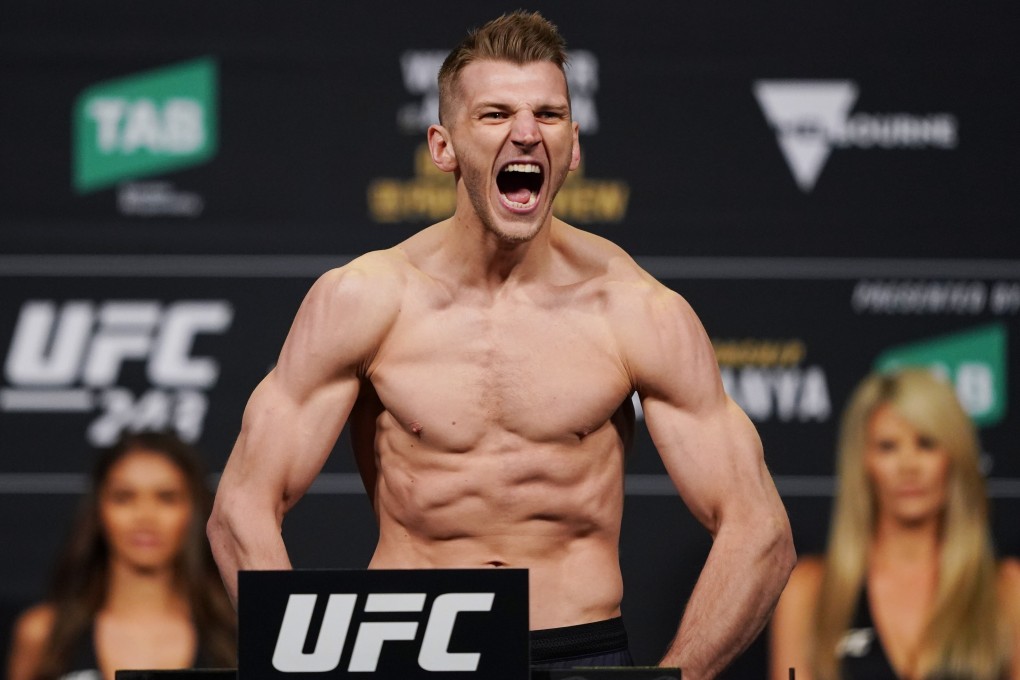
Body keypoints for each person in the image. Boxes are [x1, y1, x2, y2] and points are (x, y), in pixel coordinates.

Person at [207, 10, 794, 678]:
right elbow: (241, 510)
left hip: (581, 649)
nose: (525, 132)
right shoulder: (365, 299)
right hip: (409, 651)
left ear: (572, 146)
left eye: (548, 114)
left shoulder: (636, 311)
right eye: (494, 114)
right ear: (442, 146)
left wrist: (681, 674)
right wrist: (298, 667)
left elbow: (760, 530)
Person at [769, 369, 1020, 680]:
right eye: (888, 446)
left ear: (955, 457)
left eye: (926, 444)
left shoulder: (1009, 591)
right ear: (863, 461)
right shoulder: (809, 592)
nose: (908, 465)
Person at [7, 431, 236, 680]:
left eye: (166, 498)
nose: (145, 517)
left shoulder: (236, 634)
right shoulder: (43, 634)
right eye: (124, 497)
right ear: (98, 511)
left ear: (193, 511)